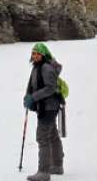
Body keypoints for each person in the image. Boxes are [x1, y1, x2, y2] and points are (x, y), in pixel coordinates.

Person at [23, 42, 65, 181]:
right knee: (52, 135)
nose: (34, 56)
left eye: (37, 53)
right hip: (45, 106)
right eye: (33, 53)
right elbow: (33, 85)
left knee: (42, 137)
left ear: (43, 54)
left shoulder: (46, 68)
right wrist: (28, 97)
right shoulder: (37, 67)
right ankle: (57, 166)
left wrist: (33, 97)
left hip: (49, 107)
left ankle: (44, 172)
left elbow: (50, 88)